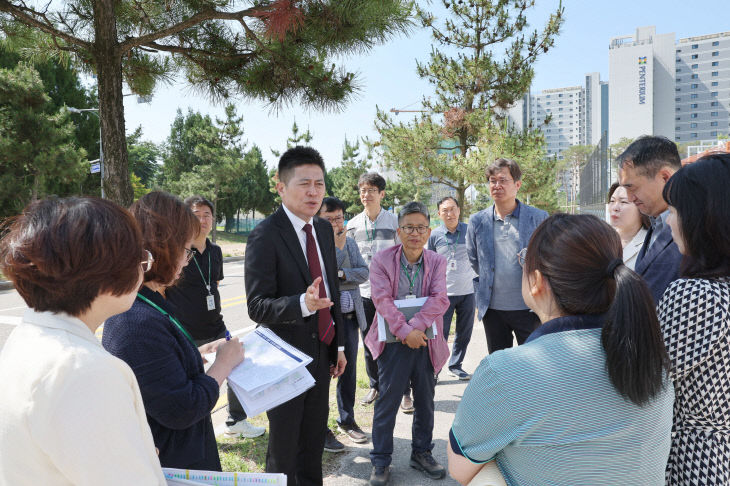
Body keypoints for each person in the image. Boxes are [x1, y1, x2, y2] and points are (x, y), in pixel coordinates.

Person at [449, 214, 675, 485]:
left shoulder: (505, 372)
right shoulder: (650, 358)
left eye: (523, 259)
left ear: (536, 281)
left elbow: (459, 468)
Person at [0, 196, 167, 485]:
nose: (144, 267)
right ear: (104, 274)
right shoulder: (83, 370)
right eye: (139, 257)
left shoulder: (31, 336)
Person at [103, 191, 245, 471]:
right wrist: (223, 365)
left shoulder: (147, 302)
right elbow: (183, 408)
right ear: (162, 249)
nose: (187, 258)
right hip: (174, 463)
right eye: (184, 248)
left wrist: (193, 353)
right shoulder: (136, 321)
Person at [245, 146, 346, 486]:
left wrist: (340, 346)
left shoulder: (322, 230)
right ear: (281, 187)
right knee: (284, 447)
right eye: (304, 183)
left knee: (313, 441)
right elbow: (257, 306)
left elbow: (333, 291)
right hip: (284, 358)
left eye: (319, 183)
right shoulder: (264, 235)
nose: (314, 192)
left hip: (321, 353)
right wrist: (302, 303)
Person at [365, 201, 450, 486]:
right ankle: (380, 460)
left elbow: (440, 299)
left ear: (428, 231)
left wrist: (415, 329)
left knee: (426, 401)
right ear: (399, 231)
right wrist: (404, 331)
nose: (415, 233)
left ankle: (422, 452)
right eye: (409, 227)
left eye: (421, 227)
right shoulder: (381, 261)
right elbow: (381, 300)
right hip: (392, 342)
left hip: (424, 340)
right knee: (387, 402)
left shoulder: (436, 261)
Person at [657, 153, 730, 485]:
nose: (669, 222)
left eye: (673, 212)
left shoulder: (697, 295)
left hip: (701, 458)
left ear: (705, 218)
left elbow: (647, 377)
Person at [166, 195, 265, 439]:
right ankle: (197, 432)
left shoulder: (215, 251)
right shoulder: (178, 251)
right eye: (196, 214)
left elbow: (215, 285)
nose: (202, 219)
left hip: (215, 325)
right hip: (185, 329)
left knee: (237, 366)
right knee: (194, 383)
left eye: (206, 214)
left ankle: (235, 420)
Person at [466, 158, 548, 354]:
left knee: (533, 363)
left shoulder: (538, 218)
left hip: (529, 307)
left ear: (517, 185)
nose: (497, 186)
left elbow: (547, 258)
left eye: (503, 180)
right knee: (499, 365)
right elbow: (474, 258)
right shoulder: (477, 221)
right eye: (492, 181)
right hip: (493, 310)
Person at [346, 173, 411, 411]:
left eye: (371, 190)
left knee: (398, 340)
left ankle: (404, 391)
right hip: (363, 293)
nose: (366, 195)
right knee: (369, 340)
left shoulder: (395, 222)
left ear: (382, 194)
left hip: (392, 294)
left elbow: (405, 256)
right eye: (363, 190)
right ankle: (375, 385)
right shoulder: (352, 225)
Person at [318, 197, 370, 452]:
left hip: (349, 320)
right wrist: (338, 255)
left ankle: (347, 420)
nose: (337, 223)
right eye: (330, 219)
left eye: (340, 218)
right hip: (325, 319)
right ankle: (321, 428)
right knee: (324, 373)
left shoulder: (350, 241)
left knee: (348, 371)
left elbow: (364, 272)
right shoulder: (315, 245)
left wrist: (341, 274)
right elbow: (323, 279)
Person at [618, 135, 683, 303]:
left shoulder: (696, 228)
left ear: (665, 177)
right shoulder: (656, 223)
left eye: (632, 187)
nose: (630, 198)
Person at [427, 196, 477, 380]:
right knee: (440, 334)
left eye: (453, 209)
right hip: (443, 293)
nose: (450, 213)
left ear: (458, 210)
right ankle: (436, 370)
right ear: (439, 214)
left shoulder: (469, 230)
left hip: (468, 291)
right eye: (445, 210)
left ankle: (456, 365)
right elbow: (429, 263)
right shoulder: (435, 236)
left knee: (464, 332)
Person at [607, 182, 650, 271]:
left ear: (641, 207)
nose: (615, 207)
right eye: (612, 201)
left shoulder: (650, 243)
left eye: (623, 202)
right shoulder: (602, 239)